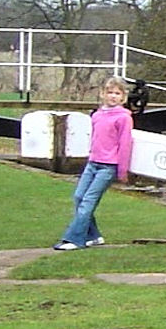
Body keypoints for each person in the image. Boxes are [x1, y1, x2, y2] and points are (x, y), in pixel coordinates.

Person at [53, 76, 134, 251]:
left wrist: (122, 171)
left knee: (88, 201)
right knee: (78, 197)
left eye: (117, 93)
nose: (113, 96)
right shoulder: (97, 115)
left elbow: (125, 144)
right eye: (109, 92)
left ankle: (75, 238)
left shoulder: (124, 118)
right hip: (93, 163)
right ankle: (94, 236)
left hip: (108, 166)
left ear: (123, 97)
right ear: (103, 94)